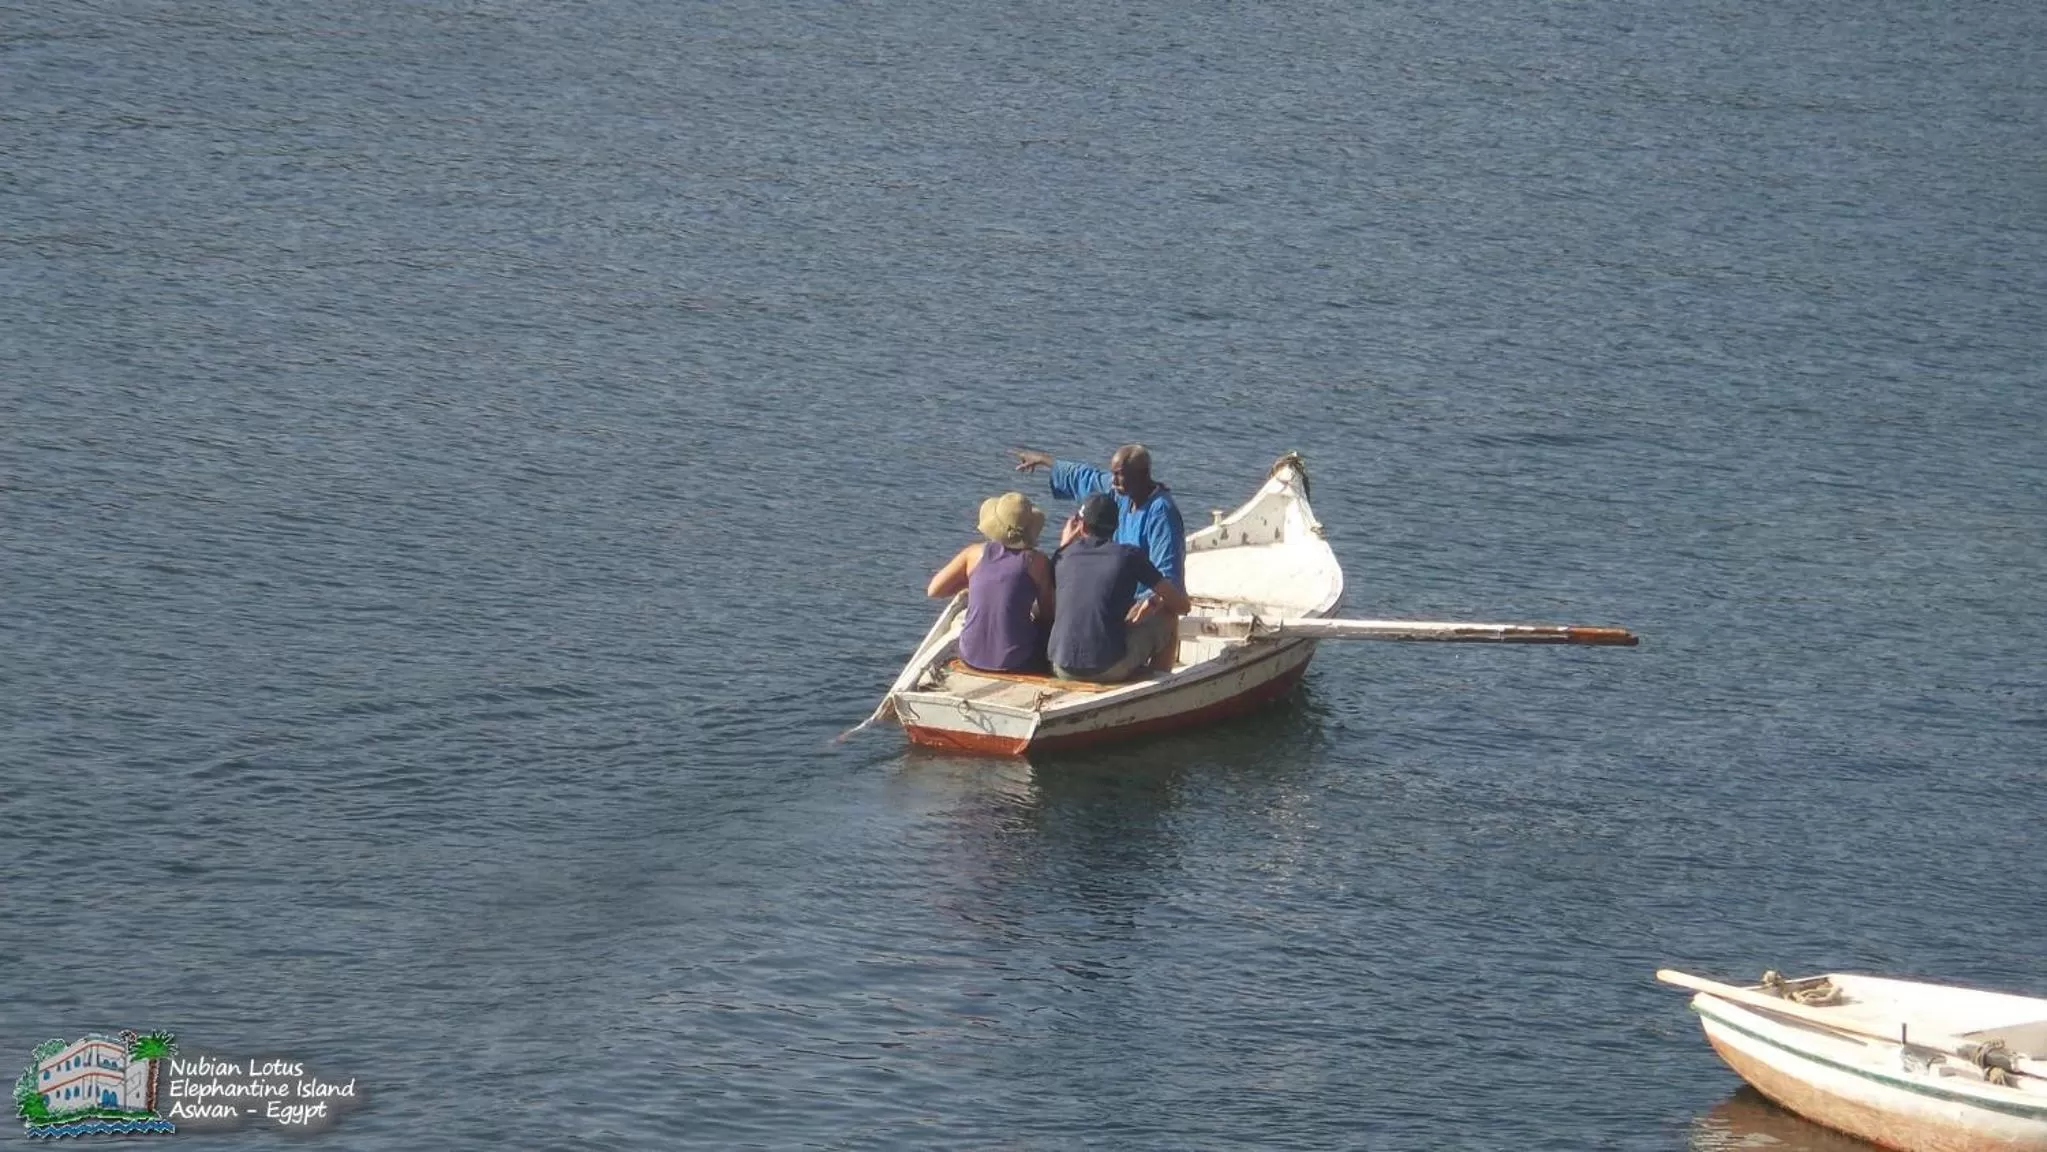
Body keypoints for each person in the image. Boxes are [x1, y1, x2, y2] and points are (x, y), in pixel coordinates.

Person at [1047, 494, 1192, 682]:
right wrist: (1156, 601)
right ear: (1116, 527)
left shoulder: (1063, 556)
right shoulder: (1129, 556)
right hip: (1105, 669)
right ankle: (1157, 687)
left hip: (1059, 666)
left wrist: (1065, 543)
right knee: (1168, 617)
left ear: (1081, 526)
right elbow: (1182, 606)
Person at [1010, 443, 1185, 592]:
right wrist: (1043, 460)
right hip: (1120, 597)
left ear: (1141, 475)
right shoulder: (1121, 493)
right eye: (1113, 474)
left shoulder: (1161, 513)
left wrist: (1141, 609)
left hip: (1147, 605)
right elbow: (1083, 477)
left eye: (1119, 474)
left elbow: (1167, 575)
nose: (1113, 481)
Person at [927, 492, 1054, 674]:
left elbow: (934, 590)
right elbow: (1048, 613)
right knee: (1046, 630)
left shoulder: (973, 554)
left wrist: (971, 582)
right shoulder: (1038, 562)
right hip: (1015, 663)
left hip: (970, 657)